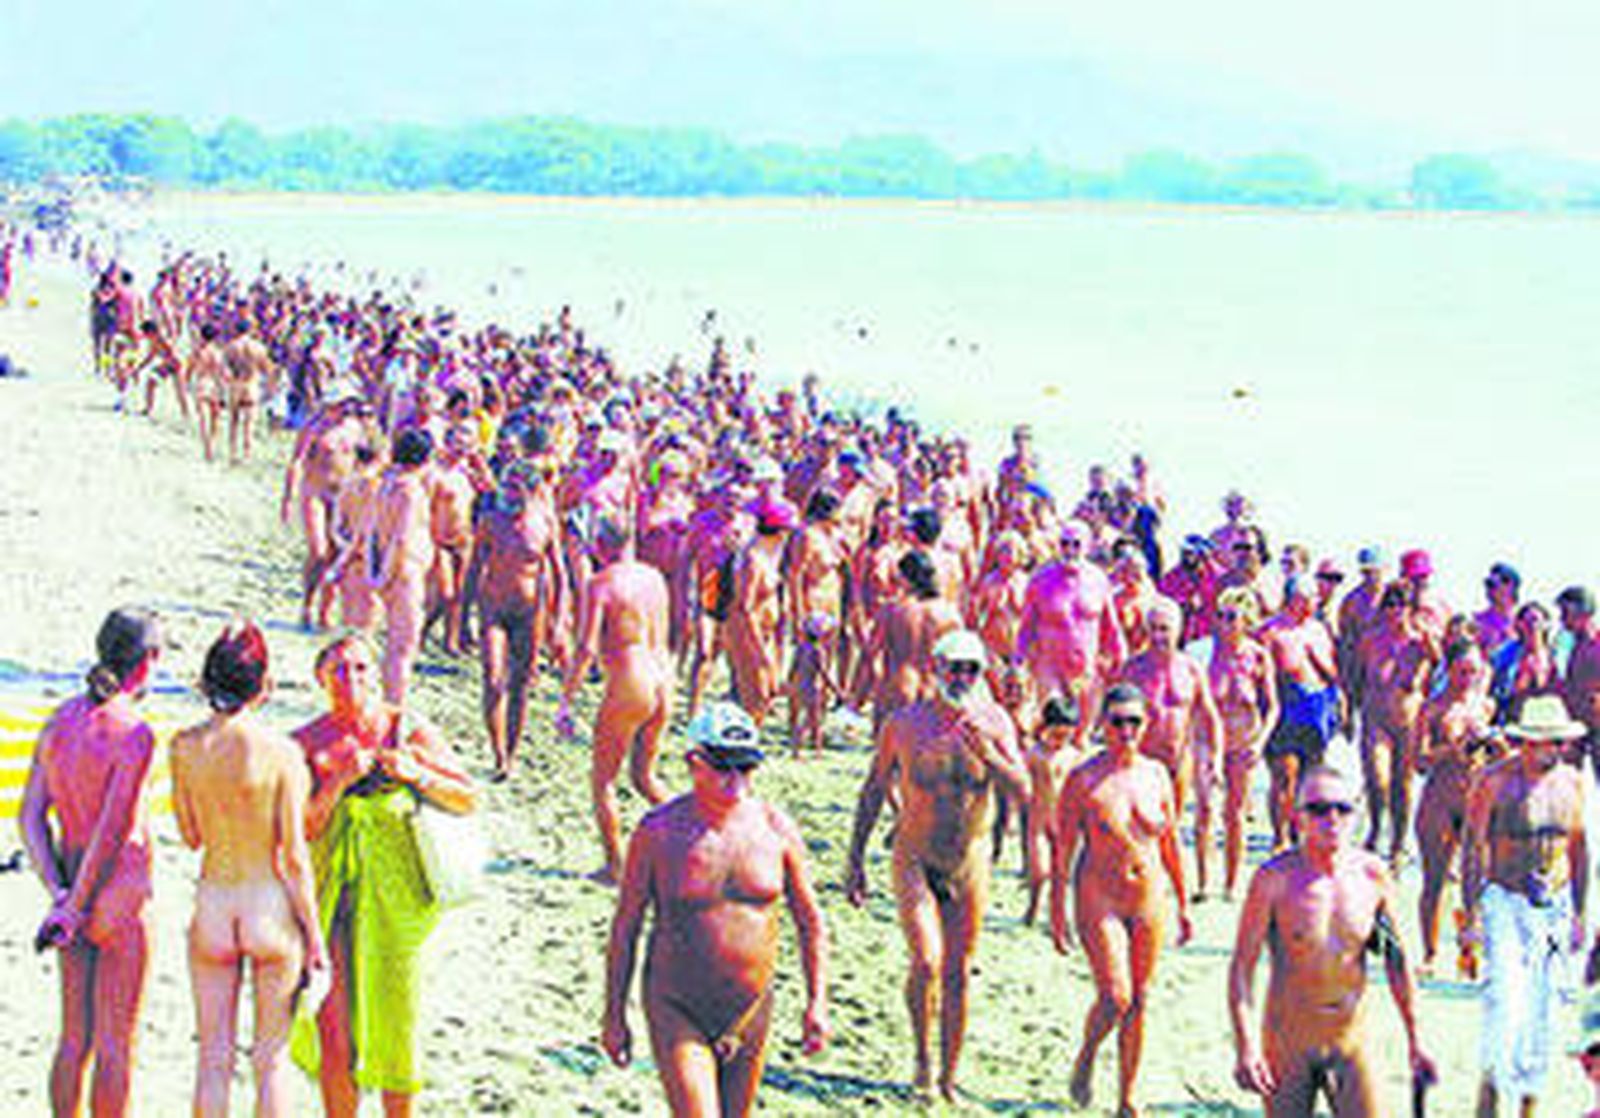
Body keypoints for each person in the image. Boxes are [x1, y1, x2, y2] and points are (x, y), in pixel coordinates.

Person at [602, 702, 830, 1117]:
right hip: (677, 1006)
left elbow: (810, 920)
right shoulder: (658, 832)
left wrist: (817, 1001)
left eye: (745, 769)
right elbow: (626, 927)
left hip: (751, 1009)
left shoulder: (775, 829)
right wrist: (614, 1013)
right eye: (724, 767)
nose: (736, 781)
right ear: (694, 762)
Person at [290, 635, 477, 1118]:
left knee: (397, 1022)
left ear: (375, 674)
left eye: (359, 669)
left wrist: (417, 774)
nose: (350, 680)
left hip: (399, 902)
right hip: (332, 896)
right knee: (334, 1029)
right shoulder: (306, 743)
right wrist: (338, 781)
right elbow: (301, 827)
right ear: (321, 680)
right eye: (338, 671)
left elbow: (466, 797)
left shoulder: (406, 728)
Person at [845, 629, 1028, 1101]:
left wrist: (991, 757)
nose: (963, 677)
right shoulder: (905, 725)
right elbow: (871, 790)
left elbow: (1025, 790)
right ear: (936, 669)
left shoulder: (996, 722)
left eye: (972, 669)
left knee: (959, 972)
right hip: (915, 854)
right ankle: (923, 1059)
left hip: (970, 858)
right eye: (955, 668)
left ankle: (949, 1074)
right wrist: (855, 859)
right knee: (926, 962)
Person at [170, 623, 326, 1118]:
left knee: (212, 1060)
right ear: (264, 684)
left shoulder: (184, 747)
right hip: (269, 908)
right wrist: (316, 940)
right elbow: (295, 857)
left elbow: (192, 835)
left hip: (215, 904)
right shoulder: (283, 755)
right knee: (270, 1061)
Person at [19, 608, 163, 1118]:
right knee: (115, 1046)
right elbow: (116, 828)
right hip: (118, 893)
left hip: (69, 886)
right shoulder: (135, 732)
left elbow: (30, 817)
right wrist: (78, 903)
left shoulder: (60, 720)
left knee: (72, 1039)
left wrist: (58, 893)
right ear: (148, 662)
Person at [1229, 765, 1435, 1116]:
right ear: (1298, 819)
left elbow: (1397, 961)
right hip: (1288, 1043)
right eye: (1319, 809)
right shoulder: (1274, 880)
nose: (1332, 819)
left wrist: (1416, 1038)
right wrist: (1247, 1047)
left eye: (1342, 809)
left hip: (1351, 1041)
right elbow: (1241, 970)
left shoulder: (1372, 877)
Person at [1050, 682, 1192, 1116]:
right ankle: (1087, 1056)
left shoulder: (1157, 774)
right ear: (1103, 725)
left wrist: (1185, 903)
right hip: (1099, 896)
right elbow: (1063, 850)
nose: (1127, 730)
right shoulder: (1084, 778)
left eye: (1135, 722)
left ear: (1146, 725)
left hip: (1149, 896)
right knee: (1116, 996)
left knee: (1141, 997)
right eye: (1118, 722)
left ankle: (1127, 1097)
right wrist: (1056, 910)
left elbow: (1169, 843)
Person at [1460, 694, 1591, 1118]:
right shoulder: (1495, 781)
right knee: (1505, 1004)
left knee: (1544, 1014)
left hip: (1553, 903)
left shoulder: (1572, 782)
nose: (1550, 749)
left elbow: (1580, 848)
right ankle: (1489, 1099)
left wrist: (1580, 914)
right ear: (1525, 742)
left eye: (1556, 742)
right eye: (1542, 742)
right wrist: (1471, 913)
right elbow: (1473, 847)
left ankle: (1527, 1109)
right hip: (1505, 899)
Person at [557, 515, 673, 884]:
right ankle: (693, 833)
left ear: (599, 545)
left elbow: (586, 647)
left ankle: (615, 866)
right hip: (663, 678)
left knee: (603, 781)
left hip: (629, 679)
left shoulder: (601, 584)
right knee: (644, 777)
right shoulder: (654, 578)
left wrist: (567, 700)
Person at [476, 458, 565, 781]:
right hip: (493, 608)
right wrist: (460, 619)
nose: (510, 495)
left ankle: (511, 754)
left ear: (532, 491)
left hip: (530, 612)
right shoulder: (490, 521)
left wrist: (560, 621)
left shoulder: (544, 523)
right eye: (507, 487)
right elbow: (475, 567)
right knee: (493, 677)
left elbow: (559, 574)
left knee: (520, 686)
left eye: (517, 489)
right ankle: (498, 752)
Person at [1018, 519, 1125, 747]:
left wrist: (1119, 657)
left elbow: (1110, 626)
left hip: (1086, 671)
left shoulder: (1098, 580)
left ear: (1087, 546)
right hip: (1050, 668)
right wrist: (1018, 660)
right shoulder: (1040, 580)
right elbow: (1026, 625)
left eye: (1076, 544)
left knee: (1080, 739)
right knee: (1056, 727)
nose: (1070, 550)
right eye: (1065, 544)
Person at [1260, 577, 1342, 850]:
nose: (1310, 604)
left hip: (1317, 704)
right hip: (1287, 704)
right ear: (1291, 599)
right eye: (1304, 599)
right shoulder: (1272, 631)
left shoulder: (1319, 630)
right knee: (1285, 774)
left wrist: (1319, 663)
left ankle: (1302, 833)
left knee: (1310, 774)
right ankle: (1280, 835)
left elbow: (1333, 674)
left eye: (1313, 599)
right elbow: (1262, 674)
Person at [1209, 587, 1280, 898]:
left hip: (1244, 739)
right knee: (1205, 811)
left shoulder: (1257, 655)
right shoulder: (1207, 653)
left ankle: (1232, 880)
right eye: (1221, 617)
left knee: (1235, 813)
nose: (1225, 623)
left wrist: (1261, 743)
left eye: (1231, 618)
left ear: (1245, 620)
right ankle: (1202, 876)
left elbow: (1273, 706)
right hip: (1210, 742)